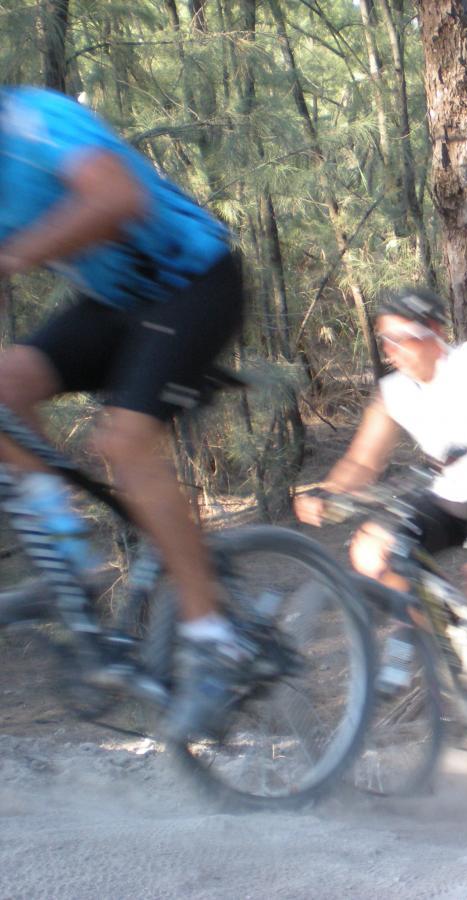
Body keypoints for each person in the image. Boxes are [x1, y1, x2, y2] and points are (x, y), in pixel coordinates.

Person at [0, 86, 247, 741]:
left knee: (123, 442)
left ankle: (212, 637)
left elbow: (118, 198)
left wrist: (14, 255)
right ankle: (68, 560)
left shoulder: (37, 120)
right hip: (116, 305)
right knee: (4, 387)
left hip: (194, 282)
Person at [294, 287, 467, 750]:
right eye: (385, 341)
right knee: (371, 549)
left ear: (435, 332)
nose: (391, 350)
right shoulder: (394, 391)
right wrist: (327, 491)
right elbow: (364, 461)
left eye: (400, 338)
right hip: (447, 496)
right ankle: (440, 640)